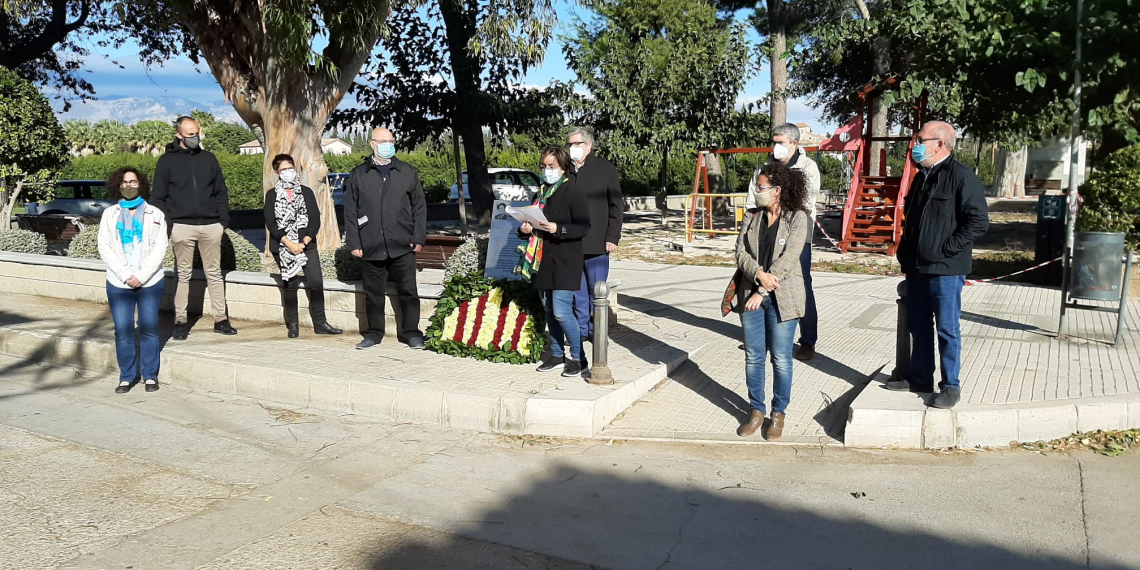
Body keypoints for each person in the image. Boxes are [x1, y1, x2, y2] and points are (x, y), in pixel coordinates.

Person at [888, 121, 989, 409]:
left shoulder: (962, 177)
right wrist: (905, 252)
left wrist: (947, 249)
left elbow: (978, 222)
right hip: (917, 267)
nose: (915, 144)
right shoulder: (922, 177)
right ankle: (919, 377)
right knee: (918, 326)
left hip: (945, 269)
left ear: (939, 144)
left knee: (947, 329)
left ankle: (950, 386)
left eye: (920, 139)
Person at [733, 161, 809, 440]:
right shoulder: (751, 216)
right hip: (750, 295)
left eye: (761, 187)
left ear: (777, 190)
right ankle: (756, 411)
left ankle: (778, 413)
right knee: (754, 357)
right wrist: (758, 275)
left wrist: (763, 289)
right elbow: (740, 252)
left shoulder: (797, 218)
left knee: (781, 359)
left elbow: (789, 259)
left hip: (781, 297)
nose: (756, 191)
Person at [151, 116, 237, 340]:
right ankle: (180, 322)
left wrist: (222, 222)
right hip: (181, 226)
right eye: (190, 135)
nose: (195, 138)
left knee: (215, 274)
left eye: (197, 133)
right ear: (179, 135)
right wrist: (170, 227)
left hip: (211, 225)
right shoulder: (166, 162)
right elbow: (158, 198)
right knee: (183, 275)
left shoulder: (208, 159)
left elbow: (221, 191)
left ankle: (221, 320)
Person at [344, 127, 427, 350]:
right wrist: (354, 243)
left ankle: (412, 333)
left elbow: (419, 207)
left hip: (403, 245)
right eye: (382, 141)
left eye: (390, 140)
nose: (387, 144)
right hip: (371, 244)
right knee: (373, 294)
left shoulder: (407, 171)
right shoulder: (358, 174)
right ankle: (373, 333)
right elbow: (350, 211)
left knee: (409, 292)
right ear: (372, 144)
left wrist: (418, 236)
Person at [516, 147, 592, 377]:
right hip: (542, 258)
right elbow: (530, 222)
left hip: (566, 258)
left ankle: (579, 359)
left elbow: (584, 226)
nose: (546, 171)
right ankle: (557, 355)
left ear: (562, 167)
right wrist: (524, 228)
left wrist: (559, 228)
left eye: (551, 167)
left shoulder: (573, 190)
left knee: (561, 311)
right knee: (549, 310)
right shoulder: (540, 193)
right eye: (543, 166)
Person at [748, 123, 821, 361]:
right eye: (774, 141)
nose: (776, 146)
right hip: (766, 227)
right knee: (765, 276)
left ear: (794, 144)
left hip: (797, 229)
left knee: (800, 284)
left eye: (781, 142)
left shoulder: (808, 167)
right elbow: (754, 194)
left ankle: (807, 340)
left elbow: (807, 203)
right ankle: (771, 337)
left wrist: (782, 212)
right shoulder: (765, 166)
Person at [97, 167, 169, 394]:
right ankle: (126, 376)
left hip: (149, 282)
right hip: (119, 283)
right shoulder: (110, 214)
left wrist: (141, 275)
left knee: (149, 327)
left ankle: (150, 375)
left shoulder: (155, 214)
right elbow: (104, 246)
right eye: (124, 182)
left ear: (141, 184)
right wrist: (125, 274)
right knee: (123, 329)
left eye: (133, 182)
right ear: (118, 186)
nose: (129, 186)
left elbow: (160, 248)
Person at [263, 154, 344, 339]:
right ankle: (293, 324)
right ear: (277, 173)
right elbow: (271, 223)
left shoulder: (306, 192)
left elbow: (315, 219)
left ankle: (321, 323)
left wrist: (304, 242)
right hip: (284, 247)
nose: (288, 172)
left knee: (316, 283)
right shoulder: (272, 195)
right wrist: (290, 244)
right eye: (284, 170)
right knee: (290, 285)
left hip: (307, 245)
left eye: (291, 168)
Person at [567, 127, 622, 342]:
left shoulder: (605, 169)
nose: (573, 148)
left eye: (577, 144)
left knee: (597, 291)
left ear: (588, 146)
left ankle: (598, 333)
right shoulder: (565, 170)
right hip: (570, 242)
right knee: (577, 292)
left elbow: (616, 205)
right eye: (570, 144)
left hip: (597, 243)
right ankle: (582, 331)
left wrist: (612, 237)